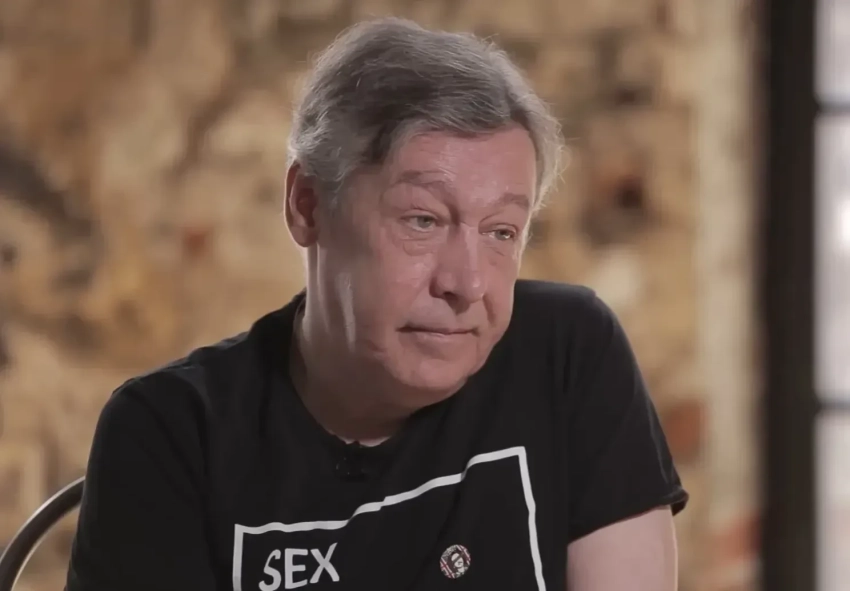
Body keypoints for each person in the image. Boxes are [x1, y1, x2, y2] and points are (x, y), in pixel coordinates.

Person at [66, 17, 688, 591]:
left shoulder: (566, 355)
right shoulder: (174, 433)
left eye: (501, 232)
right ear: (308, 205)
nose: (467, 284)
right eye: (423, 220)